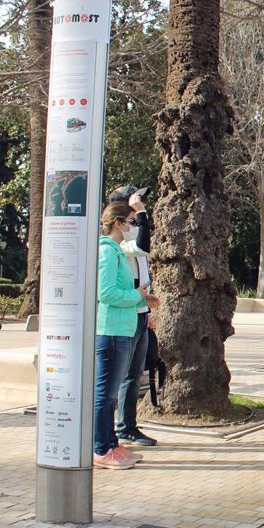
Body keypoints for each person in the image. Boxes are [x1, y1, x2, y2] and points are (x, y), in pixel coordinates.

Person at [94, 203, 158, 469]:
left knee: (110, 394)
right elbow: (106, 293)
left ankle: (111, 443)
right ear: (118, 223)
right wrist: (136, 295)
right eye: (132, 221)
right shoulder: (107, 252)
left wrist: (141, 299)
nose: (134, 227)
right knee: (105, 394)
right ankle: (101, 448)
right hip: (110, 330)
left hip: (122, 328)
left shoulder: (116, 251)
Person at [107, 186, 158, 447]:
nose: (134, 219)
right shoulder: (115, 242)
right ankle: (115, 431)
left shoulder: (132, 233)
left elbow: (143, 264)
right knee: (121, 376)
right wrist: (142, 213)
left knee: (134, 374)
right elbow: (142, 247)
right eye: (131, 212)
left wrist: (146, 308)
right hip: (124, 316)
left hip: (139, 311)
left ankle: (127, 426)